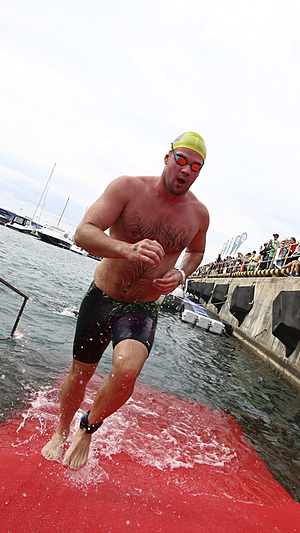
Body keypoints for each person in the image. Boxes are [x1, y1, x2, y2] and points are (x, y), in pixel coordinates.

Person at [41, 132, 209, 470]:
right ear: (167, 157)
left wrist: (182, 274)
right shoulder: (128, 188)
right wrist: (126, 249)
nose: (187, 170)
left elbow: (197, 251)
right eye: (181, 160)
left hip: (142, 307)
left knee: (127, 371)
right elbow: (84, 232)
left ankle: (87, 428)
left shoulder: (199, 214)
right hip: (102, 298)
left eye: (196, 166)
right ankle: (61, 430)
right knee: (80, 374)